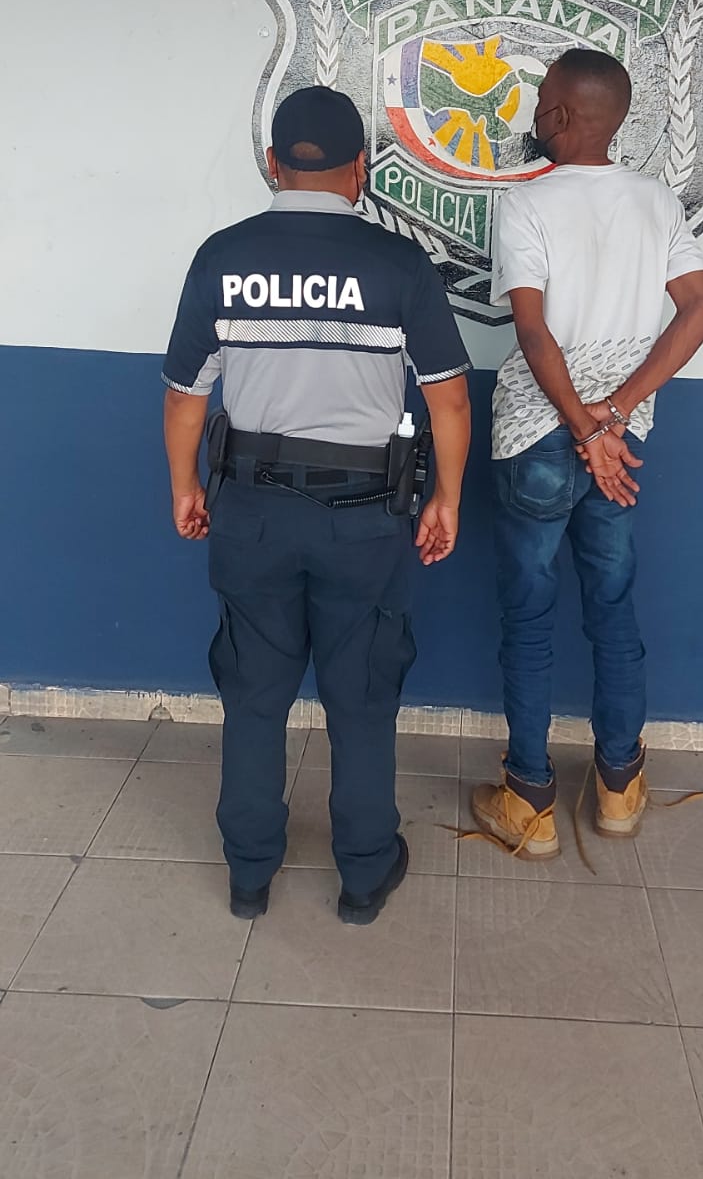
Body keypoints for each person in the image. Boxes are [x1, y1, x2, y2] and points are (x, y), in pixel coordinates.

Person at [162, 87, 471, 923]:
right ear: (359, 169)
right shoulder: (398, 264)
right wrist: (445, 497)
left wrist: (186, 486)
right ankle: (363, 873)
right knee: (361, 697)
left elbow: (186, 396)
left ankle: (249, 872)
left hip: (252, 513)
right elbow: (447, 398)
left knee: (254, 695)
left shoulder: (221, 257)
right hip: (365, 518)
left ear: (272, 163)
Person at [472, 48, 703, 859]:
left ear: (558, 115)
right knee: (610, 606)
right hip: (619, 438)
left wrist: (581, 423)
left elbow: (532, 330)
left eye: (540, 100)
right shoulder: (655, 202)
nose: (534, 113)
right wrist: (611, 416)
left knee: (529, 616)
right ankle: (618, 787)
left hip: (538, 434)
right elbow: (700, 309)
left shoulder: (525, 203)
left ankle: (529, 800)